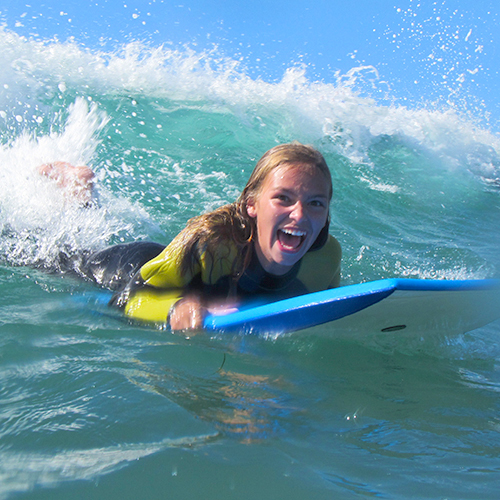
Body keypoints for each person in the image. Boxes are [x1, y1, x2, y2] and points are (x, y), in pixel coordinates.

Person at [38, 143, 342, 331]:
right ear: (252, 205)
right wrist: (174, 310)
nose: (300, 215)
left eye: (316, 203)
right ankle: (76, 190)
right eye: (283, 198)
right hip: (134, 269)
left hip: (184, 276)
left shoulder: (327, 257)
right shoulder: (209, 243)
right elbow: (125, 300)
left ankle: (79, 193)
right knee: (55, 258)